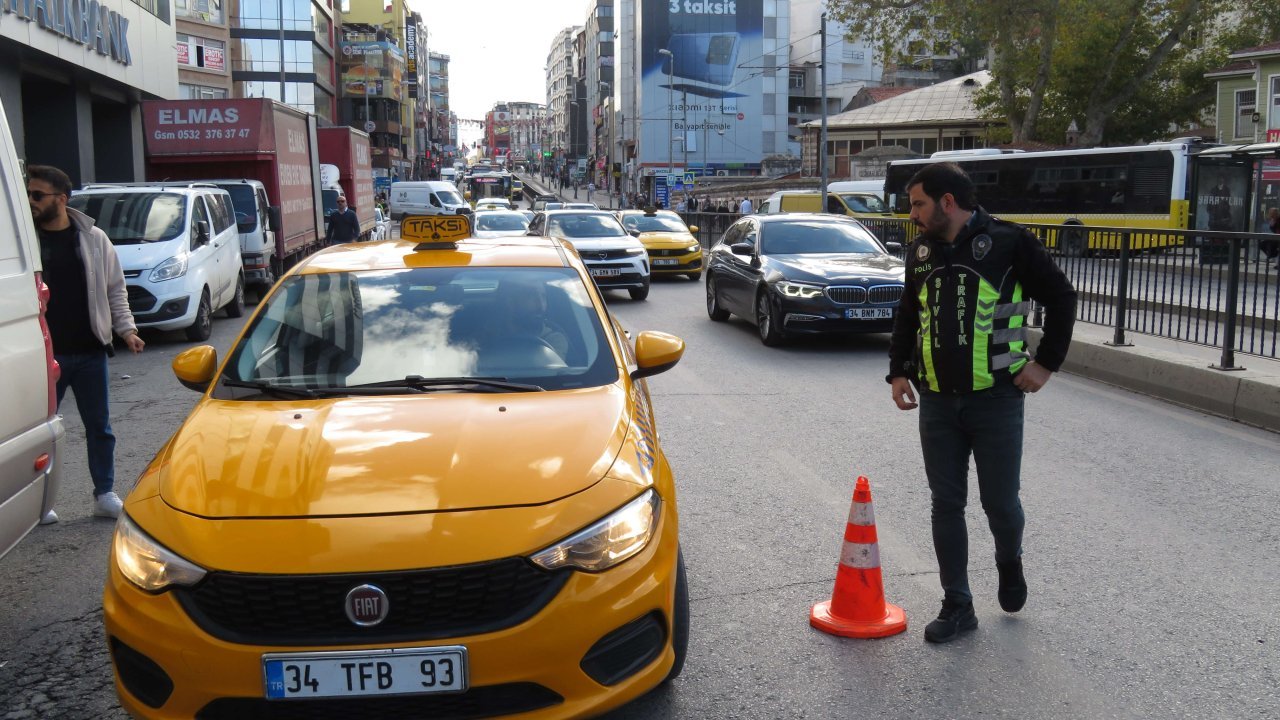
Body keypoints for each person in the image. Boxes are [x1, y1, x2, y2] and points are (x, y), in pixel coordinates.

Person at [887, 162, 1077, 644]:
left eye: (918, 204)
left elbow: (1062, 297)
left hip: (997, 400)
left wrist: (1045, 364)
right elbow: (908, 313)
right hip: (937, 402)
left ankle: (1009, 561)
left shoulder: (1010, 243)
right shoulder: (921, 251)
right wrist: (898, 371)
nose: (912, 214)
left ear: (948, 202)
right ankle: (958, 604)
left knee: (1000, 504)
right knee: (946, 503)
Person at [27, 164, 145, 521]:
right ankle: (40, 503)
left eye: (38, 195)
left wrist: (127, 330)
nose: (31, 201)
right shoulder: (27, 243)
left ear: (61, 199)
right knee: (41, 434)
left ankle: (104, 494)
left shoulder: (94, 239)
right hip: (44, 356)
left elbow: (115, 289)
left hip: (91, 352)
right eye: (29, 194)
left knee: (99, 428)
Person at [488, 276, 569, 360]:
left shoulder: (554, 339)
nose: (541, 306)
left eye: (543, 296)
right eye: (531, 296)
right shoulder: (488, 336)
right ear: (510, 301)